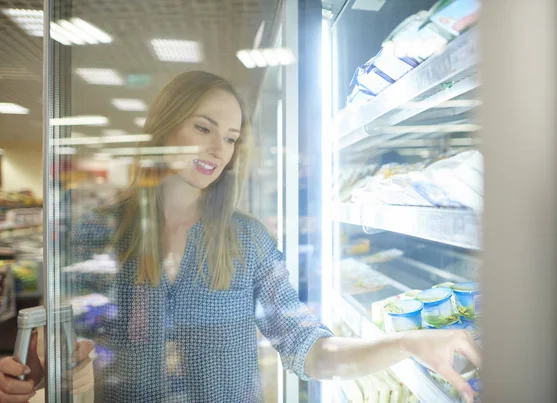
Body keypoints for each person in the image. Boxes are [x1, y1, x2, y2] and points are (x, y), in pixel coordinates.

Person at [0, 71, 481, 403]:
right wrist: (37, 373)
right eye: (203, 127)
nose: (218, 149)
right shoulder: (95, 234)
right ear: (165, 125)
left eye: (230, 138)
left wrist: (408, 343)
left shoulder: (248, 242)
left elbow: (308, 347)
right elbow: (69, 345)